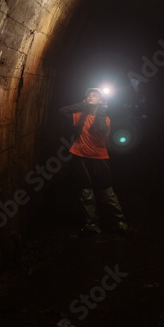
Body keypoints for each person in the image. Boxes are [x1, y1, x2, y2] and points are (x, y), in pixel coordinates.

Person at [59, 88, 130, 237]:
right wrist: (82, 105)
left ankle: (120, 223)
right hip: (81, 157)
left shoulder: (106, 119)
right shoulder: (80, 116)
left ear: (101, 101)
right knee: (86, 192)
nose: (91, 96)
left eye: (95, 95)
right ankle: (91, 224)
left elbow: (102, 131)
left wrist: (102, 111)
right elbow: (63, 111)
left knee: (107, 192)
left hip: (99, 157)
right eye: (89, 95)